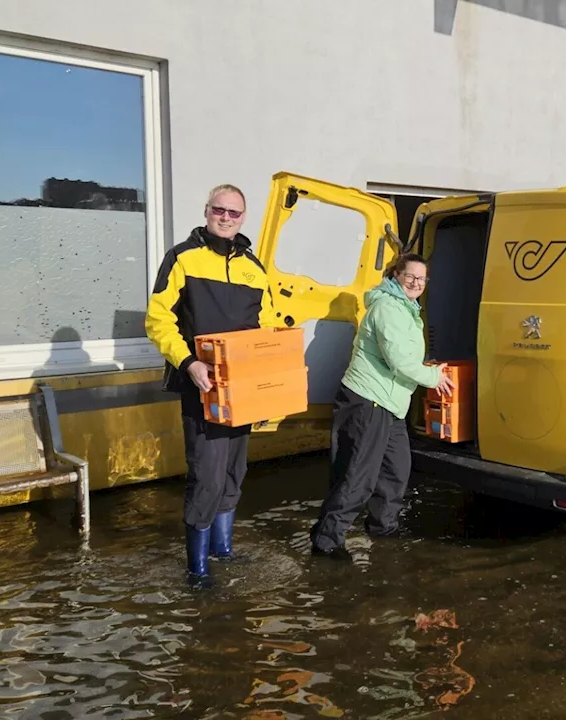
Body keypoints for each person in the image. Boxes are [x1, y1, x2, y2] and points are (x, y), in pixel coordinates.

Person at [145, 184, 277, 588]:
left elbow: (267, 330)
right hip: (200, 386)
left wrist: (268, 387)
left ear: (242, 218)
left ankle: (224, 551)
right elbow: (157, 320)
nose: (225, 217)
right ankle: (197, 571)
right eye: (219, 210)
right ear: (206, 211)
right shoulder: (182, 258)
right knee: (207, 475)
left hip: (242, 393)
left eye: (233, 213)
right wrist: (188, 363)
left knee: (234, 472)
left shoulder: (254, 267)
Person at [309, 253, 454, 561]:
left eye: (421, 279)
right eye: (409, 276)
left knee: (395, 470)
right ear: (395, 276)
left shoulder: (406, 307)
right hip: (367, 400)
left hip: (391, 404)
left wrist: (423, 367)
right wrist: (433, 377)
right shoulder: (389, 307)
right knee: (357, 476)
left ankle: (382, 527)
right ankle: (327, 542)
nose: (415, 283)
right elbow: (397, 359)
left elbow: (403, 356)